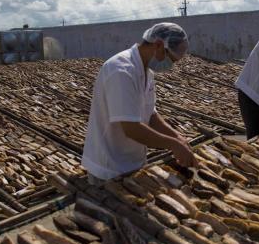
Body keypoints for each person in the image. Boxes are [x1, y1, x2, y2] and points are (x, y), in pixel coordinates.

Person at [82, 22, 197, 184]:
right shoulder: (121, 70)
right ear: (158, 45)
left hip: (132, 162)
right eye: (171, 59)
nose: (170, 66)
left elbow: (150, 115)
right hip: (109, 168)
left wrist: (177, 137)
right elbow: (131, 128)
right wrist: (172, 144)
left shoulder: (146, 70)